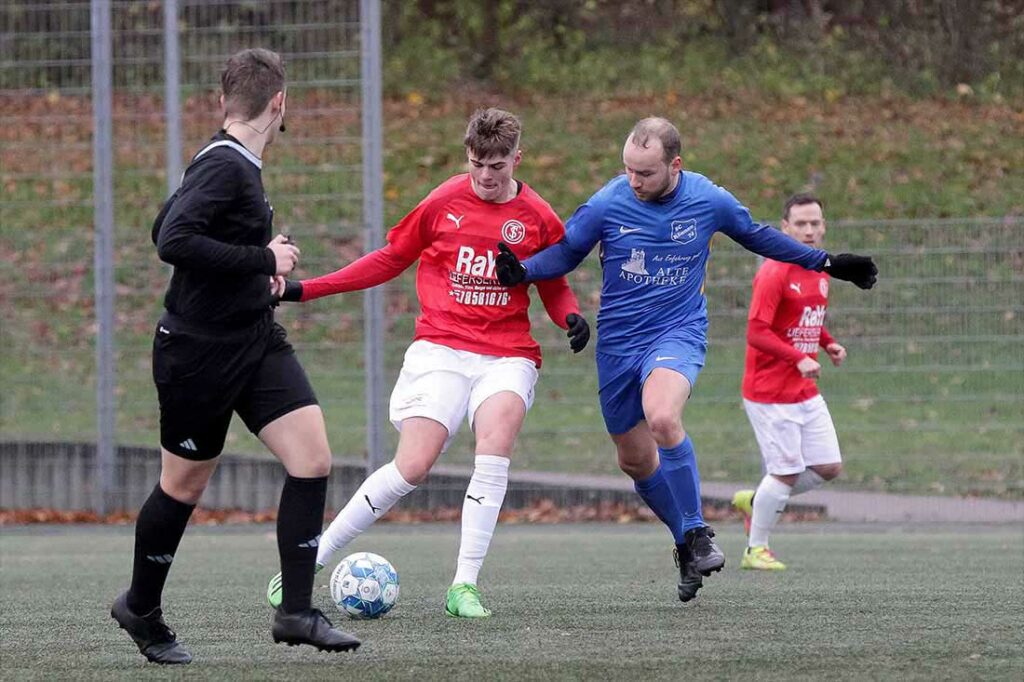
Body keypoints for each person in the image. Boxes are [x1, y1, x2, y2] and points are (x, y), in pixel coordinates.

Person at [494, 117, 876, 603]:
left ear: (675, 165)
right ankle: (683, 539)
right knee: (634, 461)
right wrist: (522, 271)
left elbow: (758, 235)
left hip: (677, 333)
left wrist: (828, 262)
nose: (634, 181)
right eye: (628, 170)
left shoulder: (707, 200)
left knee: (663, 416)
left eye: (645, 173)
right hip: (618, 344)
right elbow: (567, 252)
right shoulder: (609, 201)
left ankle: (698, 531)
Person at [267, 107, 589, 618]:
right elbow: (390, 258)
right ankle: (311, 562)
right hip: (440, 346)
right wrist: (306, 290)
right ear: (468, 157)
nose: (485, 176)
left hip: (507, 354)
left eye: (497, 165)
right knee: (413, 465)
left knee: (495, 442)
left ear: (517, 159)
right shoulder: (443, 201)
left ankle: (464, 586)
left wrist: (570, 317)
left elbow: (554, 283)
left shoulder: (538, 217)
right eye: (476, 164)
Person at [110, 48, 360, 664]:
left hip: (253, 338)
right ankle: (140, 606)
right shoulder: (227, 166)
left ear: (226, 101)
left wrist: (255, 273)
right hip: (197, 353)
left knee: (311, 457)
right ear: (280, 102)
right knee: (184, 485)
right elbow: (171, 241)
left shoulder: (226, 160)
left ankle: (296, 613)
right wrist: (262, 260)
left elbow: (169, 224)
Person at [730, 194, 848, 570]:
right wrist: (797, 358)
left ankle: (758, 499)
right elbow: (756, 332)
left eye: (815, 223)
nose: (810, 231)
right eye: (801, 224)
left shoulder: (820, 269)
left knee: (828, 466)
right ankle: (755, 549)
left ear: (824, 226)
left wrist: (827, 344)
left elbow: (805, 316)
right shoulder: (775, 271)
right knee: (785, 471)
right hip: (769, 392)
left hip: (804, 390)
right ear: (785, 228)